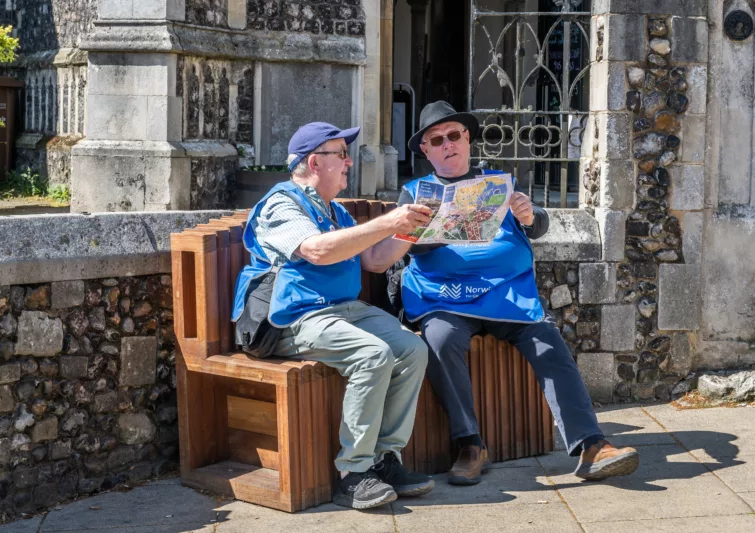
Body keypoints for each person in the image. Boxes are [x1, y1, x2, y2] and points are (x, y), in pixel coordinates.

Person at [378, 101, 641, 486]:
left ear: (466, 139)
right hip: (444, 297)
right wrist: (438, 229)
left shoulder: (499, 183)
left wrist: (530, 214)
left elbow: (538, 227)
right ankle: (470, 444)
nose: (447, 144)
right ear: (426, 150)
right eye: (437, 140)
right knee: (438, 339)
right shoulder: (415, 192)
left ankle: (591, 445)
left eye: (454, 135)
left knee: (549, 342)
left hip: (506, 295)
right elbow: (404, 248)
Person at [231, 121, 437, 510]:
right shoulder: (282, 203)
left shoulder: (334, 210)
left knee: (411, 348)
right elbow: (317, 251)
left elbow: (375, 261)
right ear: (314, 162)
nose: (348, 163)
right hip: (295, 317)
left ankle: (384, 459)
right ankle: (353, 474)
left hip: (343, 311)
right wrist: (388, 221)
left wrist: (411, 230)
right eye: (341, 154)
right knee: (372, 354)